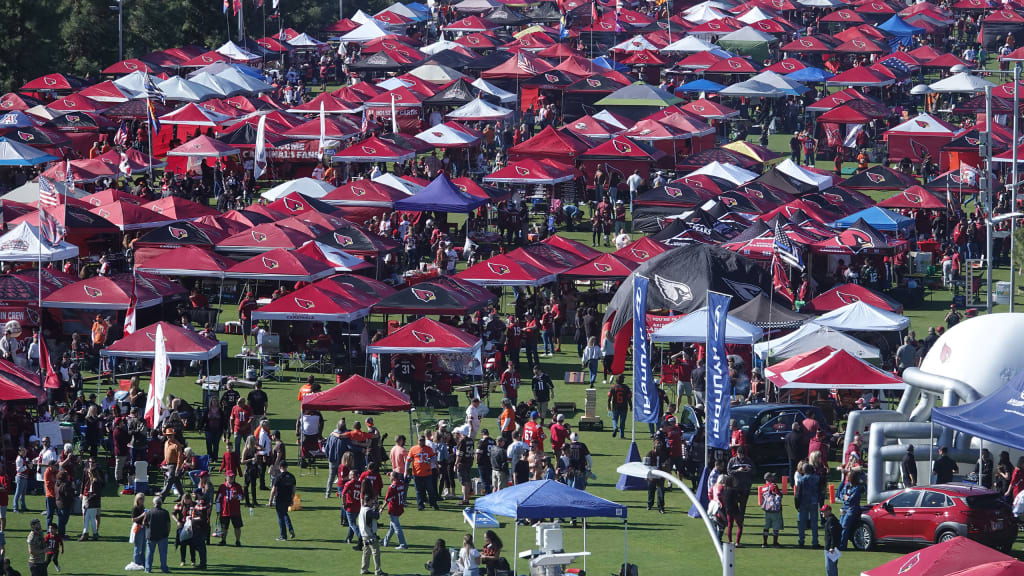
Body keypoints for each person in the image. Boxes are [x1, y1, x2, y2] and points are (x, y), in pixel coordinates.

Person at [137, 496, 171, 574]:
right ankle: (164, 569)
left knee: (149, 553)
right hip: (163, 535)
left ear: (153, 503)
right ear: (161, 503)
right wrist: (167, 533)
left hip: (151, 535)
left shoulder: (149, 512)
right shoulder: (165, 512)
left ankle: (148, 569)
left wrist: (148, 527)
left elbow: (143, 523)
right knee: (163, 554)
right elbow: (168, 524)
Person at [357, 479, 383, 576]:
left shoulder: (363, 509)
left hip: (364, 533)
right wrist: (376, 508)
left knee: (366, 552)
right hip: (370, 534)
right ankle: (378, 570)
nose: (373, 501)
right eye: (372, 500)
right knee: (376, 552)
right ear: (368, 501)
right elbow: (376, 516)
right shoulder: (368, 510)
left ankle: (364, 569)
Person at [408, 436, 438, 511]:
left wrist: (430, 460)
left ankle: (433, 504)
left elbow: (434, 457)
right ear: (418, 441)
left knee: (430, 490)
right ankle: (420, 505)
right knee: (419, 490)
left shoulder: (429, 449)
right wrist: (406, 470)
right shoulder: (413, 449)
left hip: (427, 473)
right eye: (420, 440)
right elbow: (408, 460)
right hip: (417, 474)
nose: (422, 442)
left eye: (423, 440)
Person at [269, 460, 296, 541]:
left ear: (280, 467)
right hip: (288, 498)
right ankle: (290, 529)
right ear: (286, 467)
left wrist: (270, 501)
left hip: (280, 498)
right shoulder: (292, 476)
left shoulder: (278, 477)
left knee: (280, 517)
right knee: (285, 514)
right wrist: (292, 499)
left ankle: (283, 536)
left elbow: (273, 490)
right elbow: (294, 490)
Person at [795, 462, 820, 548]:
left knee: (802, 523)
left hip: (803, 503)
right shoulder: (817, 478)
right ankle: (815, 542)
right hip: (814, 502)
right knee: (814, 523)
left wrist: (797, 505)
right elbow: (820, 491)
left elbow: (798, 494)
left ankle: (801, 541)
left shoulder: (801, 480)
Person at [215, 472, 244, 547]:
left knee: (237, 527)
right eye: (230, 477)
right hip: (225, 510)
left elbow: (242, 497)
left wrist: (237, 497)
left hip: (235, 510)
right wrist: (218, 510)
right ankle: (223, 540)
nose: (231, 478)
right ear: (226, 477)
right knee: (224, 527)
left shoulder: (237, 486)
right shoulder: (222, 486)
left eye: (233, 477)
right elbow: (218, 499)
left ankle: (238, 541)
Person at [838, 469, 864, 550]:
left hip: (852, 509)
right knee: (840, 526)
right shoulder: (847, 485)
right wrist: (845, 497)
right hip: (844, 508)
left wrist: (847, 497)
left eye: (848, 476)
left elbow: (852, 498)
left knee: (845, 526)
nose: (847, 478)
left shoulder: (857, 488)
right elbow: (841, 494)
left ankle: (842, 545)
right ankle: (839, 543)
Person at [382, 471, 407, 550]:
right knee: (392, 527)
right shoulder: (401, 483)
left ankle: (403, 544)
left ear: (393, 478)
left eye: (391, 476)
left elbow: (387, 500)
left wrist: (382, 508)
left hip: (394, 508)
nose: (389, 478)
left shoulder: (392, 487)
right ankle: (386, 540)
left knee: (396, 527)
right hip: (400, 507)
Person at [645, 438, 671, 513]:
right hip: (652, 476)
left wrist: (665, 466)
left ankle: (661, 507)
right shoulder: (650, 453)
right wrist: (648, 476)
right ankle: (650, 504)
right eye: (657, 444)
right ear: (654, 445)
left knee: (661, 492)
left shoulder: (663, 454)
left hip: (660, 476)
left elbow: (667, 462)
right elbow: (646, 465)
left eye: (660, 444)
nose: (659, 445)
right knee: (651, 491)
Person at [759, 473, 783, 548]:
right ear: (769, 478)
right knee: (775, 527)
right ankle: (775, 543)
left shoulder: (763, 488)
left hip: (767, 509)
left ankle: (764, 543)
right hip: (775, 509)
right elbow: (779, 494)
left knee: (766, 526)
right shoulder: (773, 485)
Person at [822, 505, 842, 576]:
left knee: (830, 568)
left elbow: (834, 535)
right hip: (833, 548)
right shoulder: (832, 519)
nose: (822, 513)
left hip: (830, 549)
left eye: (823, 511)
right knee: (831, 568)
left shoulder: (831, 520)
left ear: (829, 511)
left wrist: (832, 547)